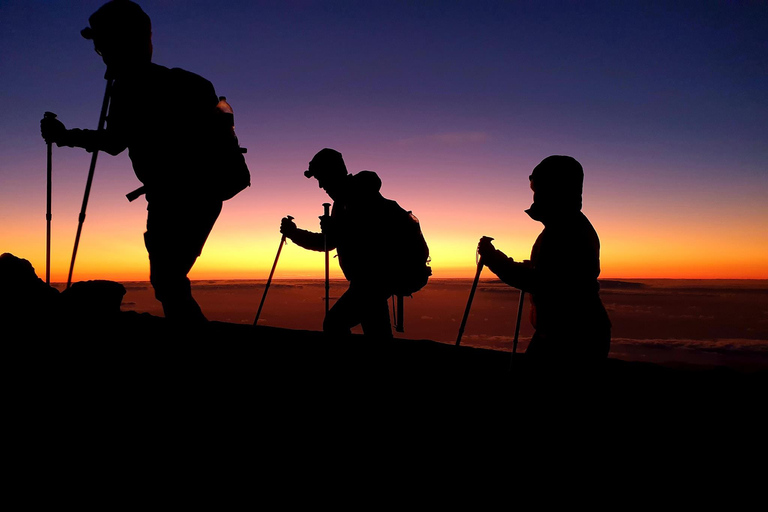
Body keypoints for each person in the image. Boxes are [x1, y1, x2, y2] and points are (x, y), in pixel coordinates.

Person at [40, 0, 248, 324]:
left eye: (102, 46)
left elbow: (113, 143)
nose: (101, 55)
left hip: (175, 197)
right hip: (204, 192)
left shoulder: (133, 86)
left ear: (122, 42)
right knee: (169, 281)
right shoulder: (186, 83)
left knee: (167, 281)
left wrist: (64, 135)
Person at [477, 155, 611, 365]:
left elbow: (542, 282)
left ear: (555, 189)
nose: (536, 196)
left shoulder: (565, 230)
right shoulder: (567, 226)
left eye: (539, 189)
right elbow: (555, 273)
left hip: (569, 337)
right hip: (573, 331)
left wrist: (494, 259)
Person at [280, 148, 418, 338]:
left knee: (334, 323)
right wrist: (296, 233)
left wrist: (335, 230)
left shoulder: (358, 197)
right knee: (376, 332)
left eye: (322, 177)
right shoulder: (347, 200)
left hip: (373, 280)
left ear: (333, 173)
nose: (321, 185)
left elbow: (369, 239)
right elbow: (331, 241)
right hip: (374, 281)